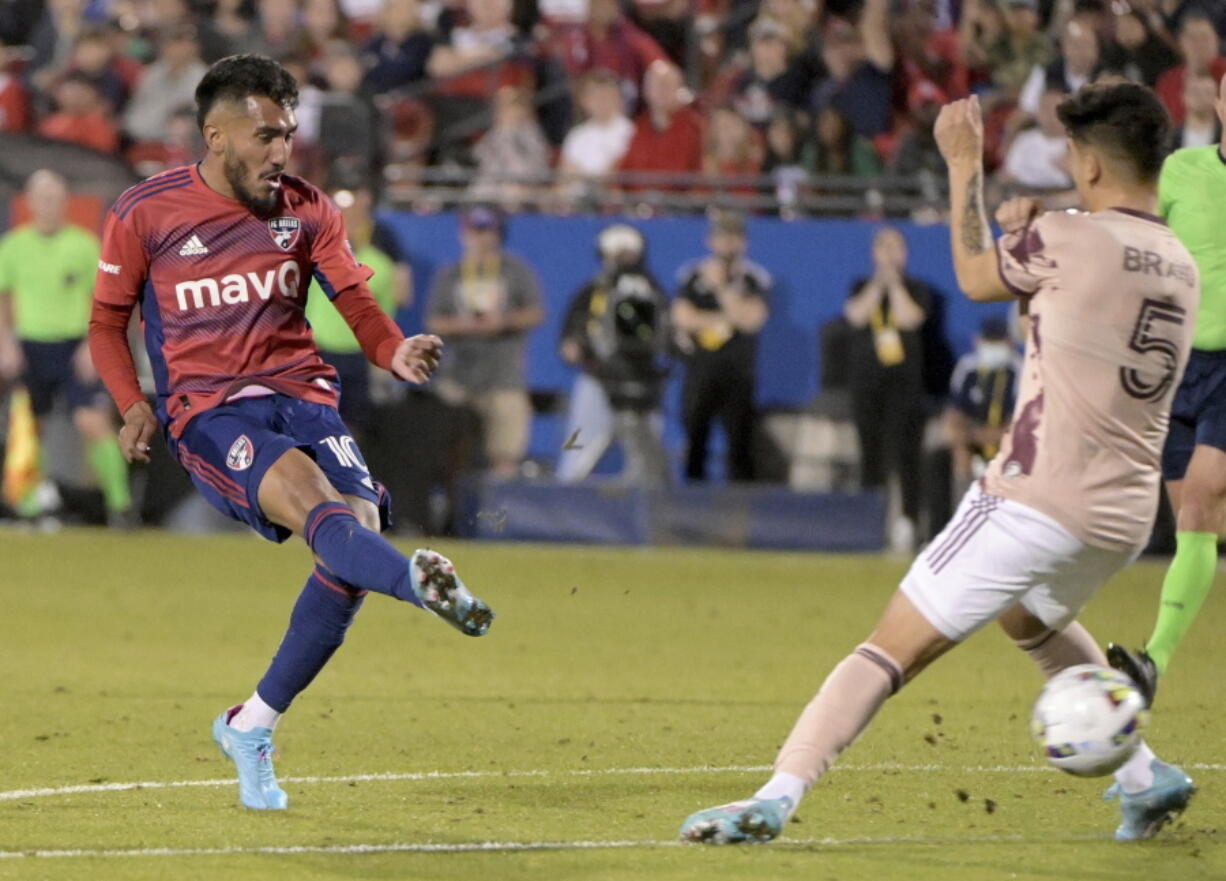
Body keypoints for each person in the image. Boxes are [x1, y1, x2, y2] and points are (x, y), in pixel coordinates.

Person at [679, 83, 1197, 846]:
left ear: (1086, 163)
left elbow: (974, 275)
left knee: (887, 648)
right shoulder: (1179, 261)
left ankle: (774, 796)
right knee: (1029, 615)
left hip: (1034, 499)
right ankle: (1144, 773)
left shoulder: (1068, 235)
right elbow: (1069, 324)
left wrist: (964, 167)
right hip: (1120, 514)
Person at [87, 55, 494, 812]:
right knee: (323, 511)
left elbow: (355, 301)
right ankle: (416, 583)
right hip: (210, 412)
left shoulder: (307, 209)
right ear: (215, 134)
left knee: (355, 532)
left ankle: (252, 722)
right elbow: (108, 320)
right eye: (266, 134)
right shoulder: (146, 212)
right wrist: (131, 401)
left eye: (289, 134)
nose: (283, 151)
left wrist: (393, 348)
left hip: (302, 396)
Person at [1107, 71, 1226, 705]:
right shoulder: (1181, 170)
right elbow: (1144, 242)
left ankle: (1153, 660)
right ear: (1218, 102)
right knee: (1197, 524)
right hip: (1179, 368)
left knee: (1205, 496)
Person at [0, 169, 131, 523]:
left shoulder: (85, 245)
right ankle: (29, 506)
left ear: (65, 203)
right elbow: (4, 299)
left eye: (56, 199)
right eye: (42, 199)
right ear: (29, 203)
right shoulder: (13, 246)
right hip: (30, 346)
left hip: (75, 346)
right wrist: (6, 343)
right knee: (28, 425)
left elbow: (103, 301)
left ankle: (120, 504)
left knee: (91, 420)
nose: (49, 206)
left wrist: (93, 345)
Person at [424, 205, 544, 479]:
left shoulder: (515, 270)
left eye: (487, 231)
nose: (480, 238)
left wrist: (503, 322)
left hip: (504, 376)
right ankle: (455, 518)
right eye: (474, 231)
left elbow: (535, 312)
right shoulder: (451, 273)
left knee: (505, 453)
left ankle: (500, 518)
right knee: (454, 453)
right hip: (458, 377)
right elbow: (434, 321)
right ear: (462, 234)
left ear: (498, 234)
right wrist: (466, 325)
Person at [843, 226, 935, 552]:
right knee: (870, 450)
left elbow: (911, 319)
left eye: (896, 247)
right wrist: (878, 281)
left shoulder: (918, 288)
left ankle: (909, 520)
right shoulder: (860, 286)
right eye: (883, 246)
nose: (889, 253)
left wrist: (894, 283)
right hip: (867, 382)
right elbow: (856, 315)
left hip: (904, 384)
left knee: (905, 452)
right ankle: (870, 518)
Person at [556, 223, 670, 485]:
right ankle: (565, 502)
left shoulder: (653, 292)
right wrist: (575, 346)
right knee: (577, 446)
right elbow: (572, 332)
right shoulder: (593, 291)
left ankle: (652, 507)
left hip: (644, 380)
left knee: (648, 453)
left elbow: (665, 334)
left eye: (627, 255)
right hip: (599, 377)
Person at [305, 180, 411, 434]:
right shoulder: (313, 246)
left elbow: (398, 300)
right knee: (316, 421)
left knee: (360, 423)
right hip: (319, 350)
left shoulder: (382, 255)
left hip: (363, 353)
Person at [672, 209, 769, 482]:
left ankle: (742, 512)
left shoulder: (753, 278)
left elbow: (753, 320)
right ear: (710, 241)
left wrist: (721, 290)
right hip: (701, 369)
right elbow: (683, 318)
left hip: (738, 372)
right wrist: (729, 316)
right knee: (695, 439)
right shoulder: (693, 275)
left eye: (734, 237)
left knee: (740, 444)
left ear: (744, 242)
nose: (727, 244)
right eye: (721, 237)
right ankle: (693, 505)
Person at [945, 315, 1021, 497]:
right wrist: (963, 439)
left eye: (998, 341)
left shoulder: (1020, 369)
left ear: (1009, 343)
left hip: (1006, 442)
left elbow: (1018, 423)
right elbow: (955, 413)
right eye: (990, 341)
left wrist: (992, 437)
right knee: (951, 450)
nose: (994, 346)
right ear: (977, 341)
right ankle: (956, 511)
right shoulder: (967, 367)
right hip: (973, 438)